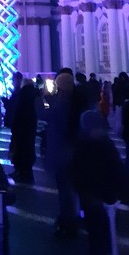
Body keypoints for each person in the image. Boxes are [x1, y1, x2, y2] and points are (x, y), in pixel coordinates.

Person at [72, 110, 129, 255]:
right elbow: (77, 177)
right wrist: (89, 197)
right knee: (98, 241)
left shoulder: (106, 144)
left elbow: (118, 168)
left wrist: (123, 189)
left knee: (105, 241)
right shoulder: (82, 148)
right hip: (93, 203)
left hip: (108, 200)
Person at [44, 72, 79, 237]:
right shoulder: (70, 101)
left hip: (62, 152)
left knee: (65, 190)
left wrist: (41, 100)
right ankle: (69, 219)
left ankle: (67, 221)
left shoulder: (63, 103)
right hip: (67, 150)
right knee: (67, 189)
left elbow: (51, 116)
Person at [8, 80, 38, 184]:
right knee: (27, 150)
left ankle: (22, 173)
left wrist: (14, 126)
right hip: (29, 127)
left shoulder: (22, 94)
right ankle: (23, 172)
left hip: (21, 127)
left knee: (19, 150)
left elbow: (17, 112)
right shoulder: (34, 95)